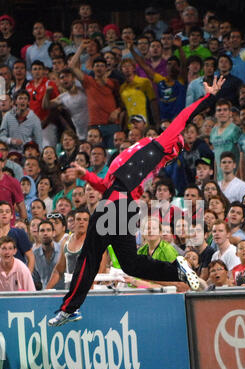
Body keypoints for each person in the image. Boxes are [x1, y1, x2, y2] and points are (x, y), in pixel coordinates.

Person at [48, 76, 225, 326]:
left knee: (89, 256)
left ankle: (68, 308)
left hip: (116, 205)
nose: (172, 135)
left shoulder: (161, 145)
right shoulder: (134, 154)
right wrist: (84, 174)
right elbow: (106, 183)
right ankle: (177, 269)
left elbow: (185, 115)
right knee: (131, 265)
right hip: (122, 206)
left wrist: (210, 97)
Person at [46, 208, 90, 290]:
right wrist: (46, 291)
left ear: (89, 223)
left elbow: (100, 270)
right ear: (73, 222)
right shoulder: (66, 242)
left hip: (87, 292)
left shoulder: (94, 242)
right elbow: (58, 271)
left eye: (85, 220)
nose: (81, 222)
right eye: (78, 219)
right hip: (69, 290)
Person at [42, 67, 88, 142]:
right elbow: (46, 106)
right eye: (62, 77)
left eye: (67, 76)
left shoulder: (84, 90)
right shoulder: (63, 98)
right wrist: (47, 93)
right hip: (80, 135)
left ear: (73, 78)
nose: (64, 79)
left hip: (93, 131)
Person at [0, 88, 43, 152]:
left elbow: (38, 142)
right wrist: (11, 141)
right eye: (20, 98)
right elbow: (1, 136)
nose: (23, 101)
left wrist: (25, 143)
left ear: (28, 102)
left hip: (27, 154)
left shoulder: (35, 120)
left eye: (25, 99)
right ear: (15, 101)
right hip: (9, 153)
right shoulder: (8, 116)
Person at [210, 98, 241, 180]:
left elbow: (241, 155)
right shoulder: (213, 131)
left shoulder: (236, 130)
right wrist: (215, 179)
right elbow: (216, 157)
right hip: (220, 178)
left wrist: (238, 177)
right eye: (219, 110)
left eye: (225, 110)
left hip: (233, 177)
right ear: (216, 114)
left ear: (230, 113)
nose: (222, 113)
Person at [0, 200, 34, 272]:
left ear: (12, 215)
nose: (4, 213)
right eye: (1, 211)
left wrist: (27, 277)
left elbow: (31, 257)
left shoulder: (19, 233)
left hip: (17, 276)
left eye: (7, 211)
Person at [32, 219, 64, 290]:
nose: (45, 233)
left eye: (48, 230)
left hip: (63, 293)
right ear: (38, 233)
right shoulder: (34, 254)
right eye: (42, 231)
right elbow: (34, 279)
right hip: (45, 295)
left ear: (53, 233)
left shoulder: (63, 250)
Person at [0, 154, 27, 225]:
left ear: (2, 164)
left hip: (8, 227)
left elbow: (22, 208)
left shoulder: (12, 182)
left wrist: (26, 226)